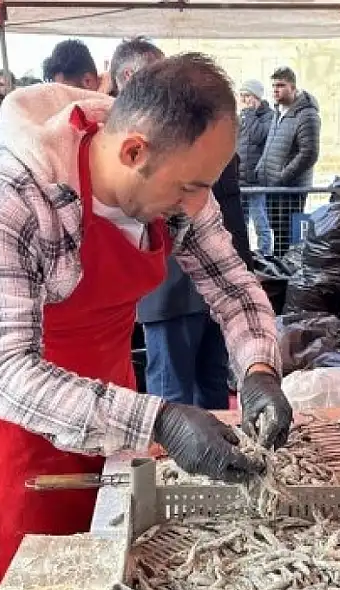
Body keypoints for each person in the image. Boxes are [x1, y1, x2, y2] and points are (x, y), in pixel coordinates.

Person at [0, 54, 293, 581]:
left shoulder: (182, 190)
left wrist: (259, 372)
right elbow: (3, 371)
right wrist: (160, 420)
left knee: (118, 534)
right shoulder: (8, 194)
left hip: (110, 370)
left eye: (207, 185)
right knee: (49, 558)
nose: (198, 204)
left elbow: (233, 288)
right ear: (134, 151)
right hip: (26, 396)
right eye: (187, 187)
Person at [129, 41, 253, 410]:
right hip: (167, 295)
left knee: (210, 390)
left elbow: (225, 211)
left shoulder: (208, 138)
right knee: (172, 399)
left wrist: (260, 367)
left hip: (207, 286)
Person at [255, 66, 321, 255]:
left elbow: (309, 153)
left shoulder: (306, 114)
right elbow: (270, 144)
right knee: (278, 231)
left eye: (281, 85)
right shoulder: (278, 111)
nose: (276, 90)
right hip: (273, 185)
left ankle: (290, 275)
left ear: (293, 87)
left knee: (290, 236)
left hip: (291, 188)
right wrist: (261, 169)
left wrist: (283, 177)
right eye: (274, 85)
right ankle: (280, 271)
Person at [236, 79, 274, 252]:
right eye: (241, 95)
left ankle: (265, 255)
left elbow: (259, 136)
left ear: (257, 97)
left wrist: (249, 113)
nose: (243, 100)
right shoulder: (242, 116)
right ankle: (243, 254)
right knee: (239, 224)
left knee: (260, 222)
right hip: (241, 180)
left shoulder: (269, 116)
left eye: (247, 96)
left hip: (257, 181)